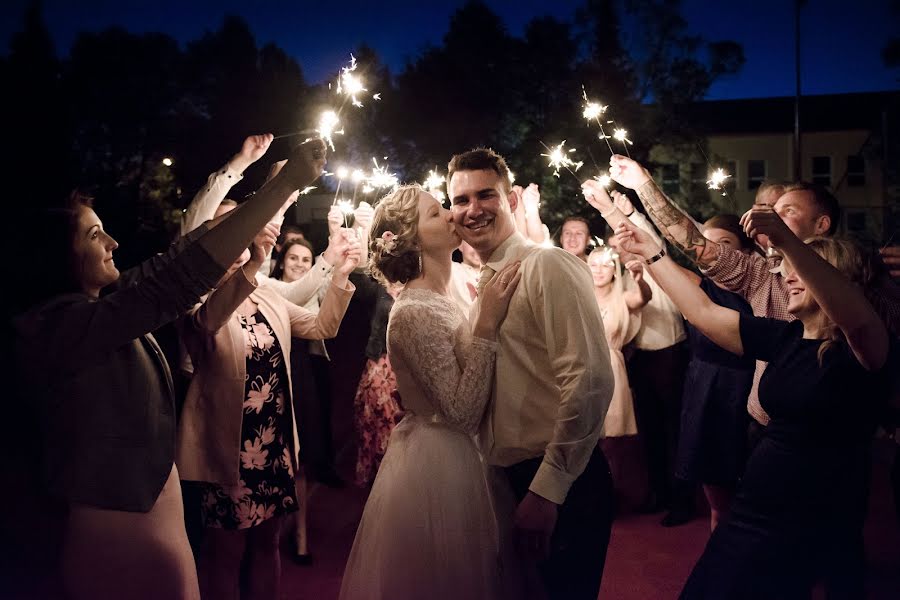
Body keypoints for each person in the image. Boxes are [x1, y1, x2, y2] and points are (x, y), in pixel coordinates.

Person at [13, 137, 328, 600]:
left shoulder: (102, 307)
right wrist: (282, 187)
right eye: (93, 234)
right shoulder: (60, 326)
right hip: (113, 522)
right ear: (57, 254)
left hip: (157, 510)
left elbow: (169, 267)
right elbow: (178, 276)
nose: (113, 242)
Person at [612, 206, 890, 598]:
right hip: (753, 507)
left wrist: (787, 242)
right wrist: (653, 254)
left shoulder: (866, 348)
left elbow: (855, 319)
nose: (789, 277)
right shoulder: (787, 338)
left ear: (839, 281)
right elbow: (702, 311)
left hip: (811, 513)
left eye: (802, 268)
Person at [339, 185, 523, 599]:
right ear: (412, 239)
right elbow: (461, 412)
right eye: (436, 212)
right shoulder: (414, 311)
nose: (451, 214)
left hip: (465, 453)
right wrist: (488, 326)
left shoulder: (441, 296)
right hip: (442, 465)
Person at [448, 148, 615, 600]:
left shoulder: (548, 264)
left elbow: (590, 379)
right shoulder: (487, 283)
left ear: (513, 200)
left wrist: (548, 490)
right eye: (461, 200)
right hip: (506, 479)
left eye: (486, 195)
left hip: (559, 477)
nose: (473, 209)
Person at [178, 219, 357, 600]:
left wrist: (341, 274)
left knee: (267, 544)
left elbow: (323, 326)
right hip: (228, 449)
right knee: (224, 552)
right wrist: (256, 259)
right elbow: (210, 321)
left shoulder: (268, 296)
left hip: (274, 447)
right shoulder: (199, 296)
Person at [588, 245, 651, 508]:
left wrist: (639, 279)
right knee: (587, 434)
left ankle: (611, 494)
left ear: (614, 270)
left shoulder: (622, 297)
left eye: (605, 265)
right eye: (594, 264)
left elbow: (643, 298)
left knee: (612, 437)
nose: (599, 270)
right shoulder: (578, 295)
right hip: (584, 366)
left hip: (612, 367)